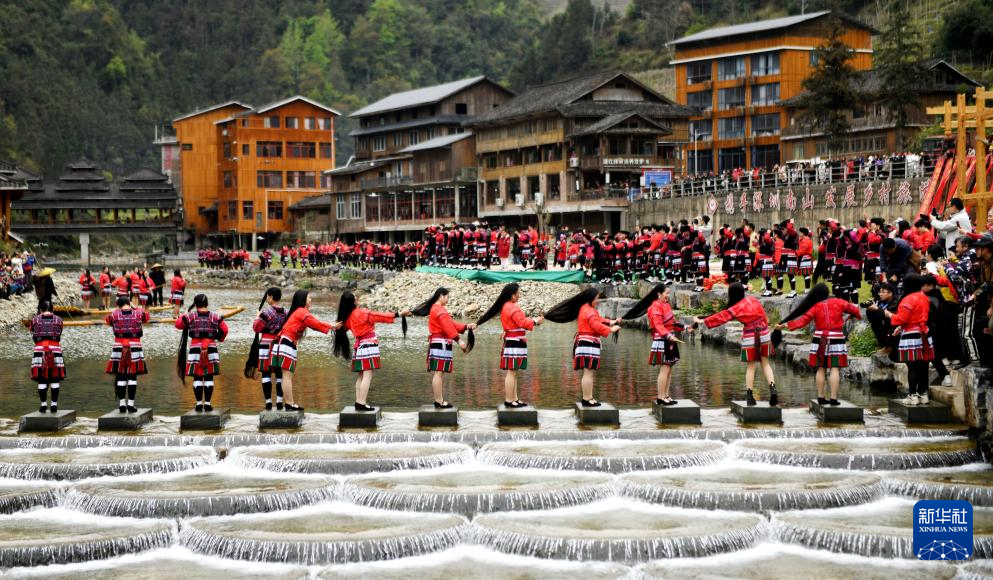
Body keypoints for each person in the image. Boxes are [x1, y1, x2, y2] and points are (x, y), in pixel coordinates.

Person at [777, 283, 861, 406]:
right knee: (834, 367)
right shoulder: (839, 302)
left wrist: (785, 325)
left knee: (821, 367)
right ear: (827, 292)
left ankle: (821, 397)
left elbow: (802, 322)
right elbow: (855, 310)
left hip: (821, 339)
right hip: (836, 339)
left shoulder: (815, 307)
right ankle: (833, 399)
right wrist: (854, 316)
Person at [695, 283, 778, 406]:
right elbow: (764, 318)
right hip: (764, 333)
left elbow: (721, 317)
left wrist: (702, 321)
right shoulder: (753, 299)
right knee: (765, 363)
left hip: (750, 335)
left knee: (751, 366)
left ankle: (750, 396)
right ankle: (773, 389)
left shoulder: (735, 308)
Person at [332, 291, 409, 411]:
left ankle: (358, 401)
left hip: (359, 348)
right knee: (367, 376)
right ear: (353, 301)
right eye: (355, 296)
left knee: (361, 376)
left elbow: (341, 328)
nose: (357, 297)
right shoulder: (362, 312)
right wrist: (399, 314)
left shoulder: (347, 318)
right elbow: (380, 316)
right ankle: (361, 403)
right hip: (369, 346)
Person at [544, 288, 620, 407]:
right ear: (590, 299)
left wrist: (611, 322)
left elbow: (598, 320)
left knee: (588, 373)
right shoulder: (589, 311)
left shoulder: (585, 308)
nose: (597, 301)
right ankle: (587, 399)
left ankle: (588, 397)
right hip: (588, 344)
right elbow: (596, 326)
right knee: (588, 373)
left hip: (585, 343)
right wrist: (611, 329)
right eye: (596, 299)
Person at [476, 283, 544, 408]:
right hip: (515, 342)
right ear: (512, 295)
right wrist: (535, 321)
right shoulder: (512, 307)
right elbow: (522, 322)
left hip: (513, 340)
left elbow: (515, 323)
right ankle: (509, 400)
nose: (519, 295)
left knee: (514, 372)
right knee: (512, 372)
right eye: (517, 293)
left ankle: (514, 399)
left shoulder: (506, 306)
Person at [622, 284, 690, 406]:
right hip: (662, 339)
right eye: (666, 293)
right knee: (665, 369)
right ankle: (660, 397)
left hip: (669, 337)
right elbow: (658, 325)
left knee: (669, 369)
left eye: (669, 293)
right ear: (659, 294)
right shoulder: (654, 307)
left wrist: (685, 327)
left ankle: (666, 395)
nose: (668, 296)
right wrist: (668, 335)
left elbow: (672, 322)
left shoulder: (666, 305)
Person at [269, 290, 337, 411]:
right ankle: (289, 403)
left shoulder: (298, 311)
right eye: (309, 297)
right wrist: (332, 326)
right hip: (286, 344)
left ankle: (289, 403)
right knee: (287, 376)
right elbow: (315, 324)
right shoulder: (302, 311)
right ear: (303, 300)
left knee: (286, 376)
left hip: (284, 343)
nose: (311, 299)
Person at [411, 287, 476, 408]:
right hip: (440, 343)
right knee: (439, 373)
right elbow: (448, 327)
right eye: (447, 297)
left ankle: (439, 400)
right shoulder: (439, 310)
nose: (448, 300)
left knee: (439, 373)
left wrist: (466, 326)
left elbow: (451, 324)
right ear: (441, 295)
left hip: (438, 342)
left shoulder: (436, 309)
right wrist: (459, 341)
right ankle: (439, 401)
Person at [886, 274, 934, 405]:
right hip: (924, 334)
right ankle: (923, 394)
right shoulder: (924, 297)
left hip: (911, 336)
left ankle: (912, 396)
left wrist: (887, 314)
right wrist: (901, 327)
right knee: (923, 366)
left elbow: (901, 319)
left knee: (912, 367)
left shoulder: (908, 299)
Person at [176, 294, 229, 412]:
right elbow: (225, 330)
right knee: (209, 376)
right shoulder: (215, 316)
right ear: (207, 303)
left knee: (197, 377)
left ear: (196, 305)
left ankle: (199, 404)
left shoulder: (190, 316)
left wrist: (184, 314)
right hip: (211, 348)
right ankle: (208, 404)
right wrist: (217, 338)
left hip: (195, 348)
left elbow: (178, 325)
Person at [105, 297, 150, 413]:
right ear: (129, 303)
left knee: (121, 376)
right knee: (132, 376)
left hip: (119, 347)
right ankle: (130, 404)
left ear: (118, 305)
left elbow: (107, 321)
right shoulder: (138, 313)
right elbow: (147, 317)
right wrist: (135, 307)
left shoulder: (114, 314)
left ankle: (122, 405)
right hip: (135, 346)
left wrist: (118, 310)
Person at [245, 287, 288, 410]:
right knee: (279, 374)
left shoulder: (266, 312)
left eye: (268, 296)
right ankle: (279, 402)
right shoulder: (286, 312)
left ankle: (268, 402)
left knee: (266, 373)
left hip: (266, 344)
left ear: (270, 297)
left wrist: (257, 317)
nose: (267, 298)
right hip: (280, 344)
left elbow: (256, 328)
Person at [29, 301, 65, 413]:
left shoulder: (34, 320)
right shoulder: (59, 320)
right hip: (55, 349)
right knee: (55, 379)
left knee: (41, 379)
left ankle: (43, 405)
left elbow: (33, 333)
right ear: (52, 309)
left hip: (39, 350)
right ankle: (54, 405)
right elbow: (59, 333)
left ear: (41, 310)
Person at [865, 283, 898, 353]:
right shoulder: (880, 302)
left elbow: (891, 316)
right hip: (884, 325)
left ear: (890, 293)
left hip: (895, 327)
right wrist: (869, 310)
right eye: (879, 292)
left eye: (883, 292)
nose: (880, 294)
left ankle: (891, 346)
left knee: (887, 323)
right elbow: (872, 319)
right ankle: (883, 345)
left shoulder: (896, 302)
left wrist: (877, 309)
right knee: (875, 324)